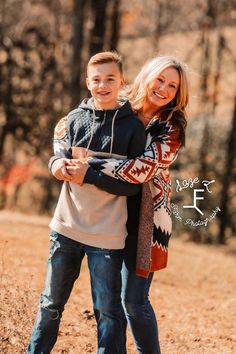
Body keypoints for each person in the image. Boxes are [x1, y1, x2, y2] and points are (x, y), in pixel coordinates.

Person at [26, 51, 146, 354]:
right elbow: (58, 155)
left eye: (110, 79)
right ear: (87, 82)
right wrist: (57, 167)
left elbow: (133, 187)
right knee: (50, 303)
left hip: (107, 238)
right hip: (66, 229)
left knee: (108, 312)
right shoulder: (72, 119)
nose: (103, 85)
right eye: (96, 79)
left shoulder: (133, 128)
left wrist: (89, 176)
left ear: (121, 82)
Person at [72, 55, 189, 354]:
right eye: (159, 79)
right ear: (147, 75)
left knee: (134, 302)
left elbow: (143, 170)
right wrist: (61, 153)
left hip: (145, 222)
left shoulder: (171, 128)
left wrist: (92, 163)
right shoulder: (119, 104)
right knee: (108, 302)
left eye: (172, 86)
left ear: (178, 93)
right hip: (109, 212)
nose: (163, 89)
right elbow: (69, 122)